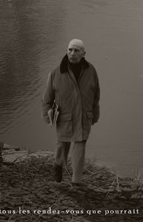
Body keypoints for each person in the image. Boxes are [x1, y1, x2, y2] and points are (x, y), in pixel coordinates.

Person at [42, 39, 100, 186]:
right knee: (62, 145)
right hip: (64, 118)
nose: (72, 53)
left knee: (80, 147)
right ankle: (58, 167)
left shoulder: (91, 70)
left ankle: (76, 182)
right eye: (70, 50)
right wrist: (48, 117)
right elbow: (47, 99)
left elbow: (96, 93)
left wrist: (94, 113)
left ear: (83, 54)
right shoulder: (56, 73)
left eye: (76, 51)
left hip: (84, 117)